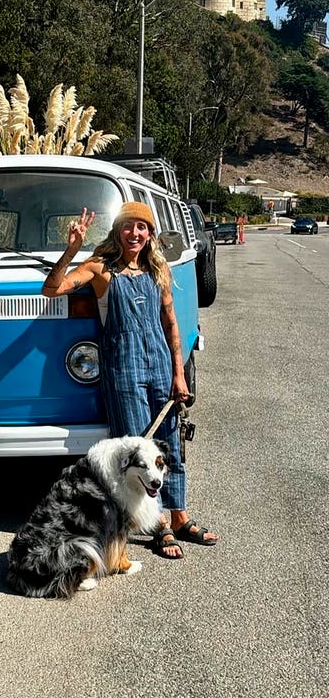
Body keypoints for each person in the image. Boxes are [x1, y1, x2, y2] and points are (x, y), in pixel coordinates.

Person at [42, 202, 218, 559]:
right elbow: (52, 289)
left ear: (150, 233)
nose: (134, 233)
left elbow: (171, 323)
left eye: (142, 227)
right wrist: (72, 249)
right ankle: (159, 527)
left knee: (169, 444)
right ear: (117, 231)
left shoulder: (158, 271)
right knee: (139, 453)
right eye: (128, 226)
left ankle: (180, 516)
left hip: (159, 367)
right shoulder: (100, 269)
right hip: (123, 372)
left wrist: (179, 373)